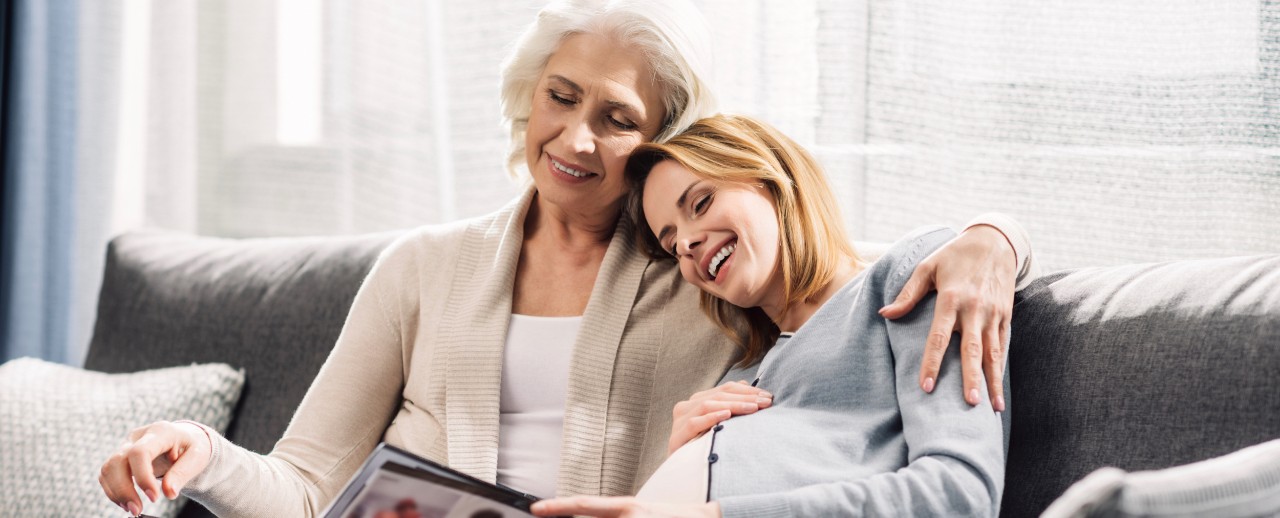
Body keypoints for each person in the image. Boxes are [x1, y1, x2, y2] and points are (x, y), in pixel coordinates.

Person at [98, 1, 1035, 516]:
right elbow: (302, 490)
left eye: (617, 118)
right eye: (560, 96)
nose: (575, 138)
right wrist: (204, 458)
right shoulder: (420, 271)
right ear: (526, 97)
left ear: (664, 145)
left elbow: (838, 274)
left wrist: (991, 235)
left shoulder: (701, 276)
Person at [533, 114, 1007, 517]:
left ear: (772, 177)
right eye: (671, 243)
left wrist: (999, 234)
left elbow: (958, 495)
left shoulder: (908, 280)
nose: (688, 244)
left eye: (700, 203)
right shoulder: (746, 369)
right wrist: (686, 455)